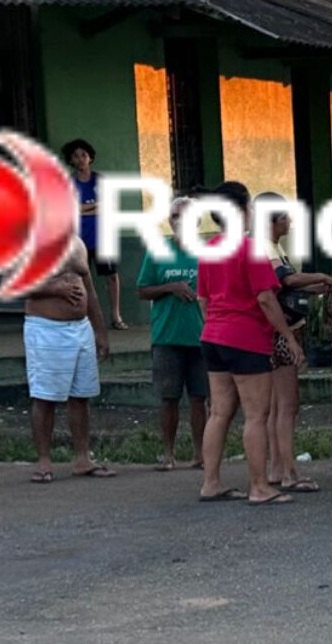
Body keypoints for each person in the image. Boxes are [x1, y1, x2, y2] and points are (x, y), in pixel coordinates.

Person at [196, 182, 302, 507]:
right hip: (246, 339)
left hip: (213, 336)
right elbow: (267, 299)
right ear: (242, 210)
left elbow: (202, 298)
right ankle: (259, 487)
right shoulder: (251, 249)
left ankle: (210, 483)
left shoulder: (210, 248)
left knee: (219, 412)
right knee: (257, 415)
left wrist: (215, 324)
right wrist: (287, 337)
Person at [256, 193, 332, 495]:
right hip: (281, 332)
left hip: (271, 332)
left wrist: (317, 287)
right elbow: (285, 280)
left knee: (278, 406)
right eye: (285, 217)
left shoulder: (269, 245)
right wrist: (320, 276)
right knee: (288, 406)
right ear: (273, 220)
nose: (289, 222)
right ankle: (289, 472)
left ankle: (278, 466)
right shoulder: (265, 246)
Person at [25, 234, 114, 482]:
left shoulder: (77, 243)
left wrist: (100, 330)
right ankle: (43, 460)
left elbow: (90, 288)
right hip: (45, 328)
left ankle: (83, 458)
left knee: (81, 395)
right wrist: (55, 288)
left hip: (81, 328)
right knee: (45, 397)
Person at [136, 195, 206, 471]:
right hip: (166, 337)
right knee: (168, 398)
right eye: (175, 216)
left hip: (201, 336)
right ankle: (168, 454)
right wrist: (171, 287)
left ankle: (201, 454)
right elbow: (142, 290)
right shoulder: (158, 250)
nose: (180, 221)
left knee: (200, 398)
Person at [63, 139, 126, 330]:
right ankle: (86, 317)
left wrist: (84, 208)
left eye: (84, 155)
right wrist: (97, 206)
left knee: (112, 276)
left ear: (90, 158)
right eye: (76, 156)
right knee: (81, 279)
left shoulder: (101, 180)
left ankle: (116, 317)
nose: (80, 159)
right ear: (71, 160)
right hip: (79, 240)